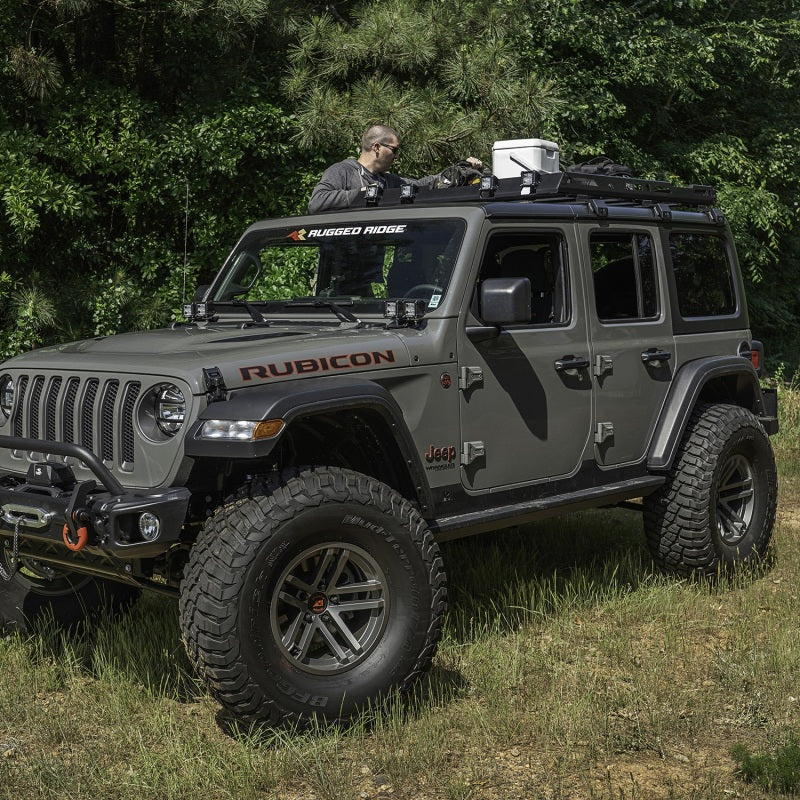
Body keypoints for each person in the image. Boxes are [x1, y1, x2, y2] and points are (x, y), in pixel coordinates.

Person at [308, 123, 482, 213]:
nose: (396, 156)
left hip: (371, 267)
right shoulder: (343, 171)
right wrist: (362, 194)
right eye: (394, 150)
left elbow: (420, 185)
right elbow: (316, 202)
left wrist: (455, 171)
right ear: (377, 147)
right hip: (338, 266)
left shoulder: (387, 181)